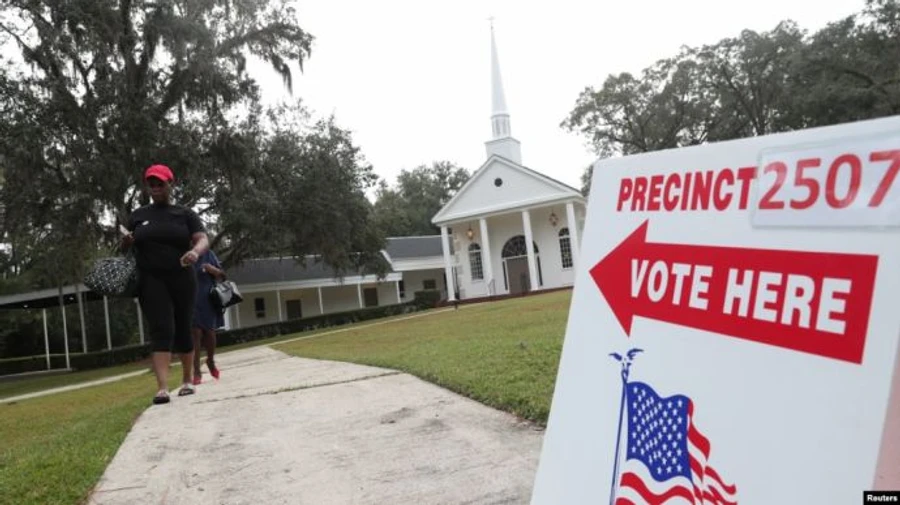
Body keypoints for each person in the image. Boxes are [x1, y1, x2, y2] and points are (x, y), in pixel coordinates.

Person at [122, 164, 209, 405]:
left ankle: (187, 381)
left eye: (161, 183)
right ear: (147, 187)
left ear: (171, 184)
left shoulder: (185, 214)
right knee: (160, 328)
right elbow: (125, 247)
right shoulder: (138, 216)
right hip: (151, 279)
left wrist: (194, 252)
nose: (156, 188)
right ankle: (162, 388)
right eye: (152, 184)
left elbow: (202, 239)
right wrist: (126, 241)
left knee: (183, 326)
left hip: (181, 276)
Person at [191, 249, 226, 385]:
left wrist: (214, 270)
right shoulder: (183, 253)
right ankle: (196, 371)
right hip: (191, 299)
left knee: (210, 333)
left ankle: (210, 360)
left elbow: (223, 276)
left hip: (208, 299)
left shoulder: (209, 254)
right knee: (196, 334)